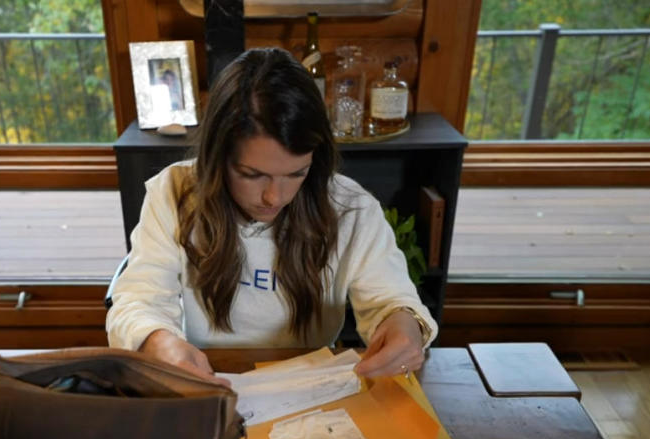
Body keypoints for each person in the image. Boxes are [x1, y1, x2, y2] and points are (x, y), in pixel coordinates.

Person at [106, 47, 436, 382]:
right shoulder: (174, 193)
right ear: (216, 158)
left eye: (296, 174)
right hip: (206, 378)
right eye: (251, 174)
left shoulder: (350, 207)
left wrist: (402, 324)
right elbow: (139, 299)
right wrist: (158, 341)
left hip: (314, 384)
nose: (274, 197)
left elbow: (391, 298)